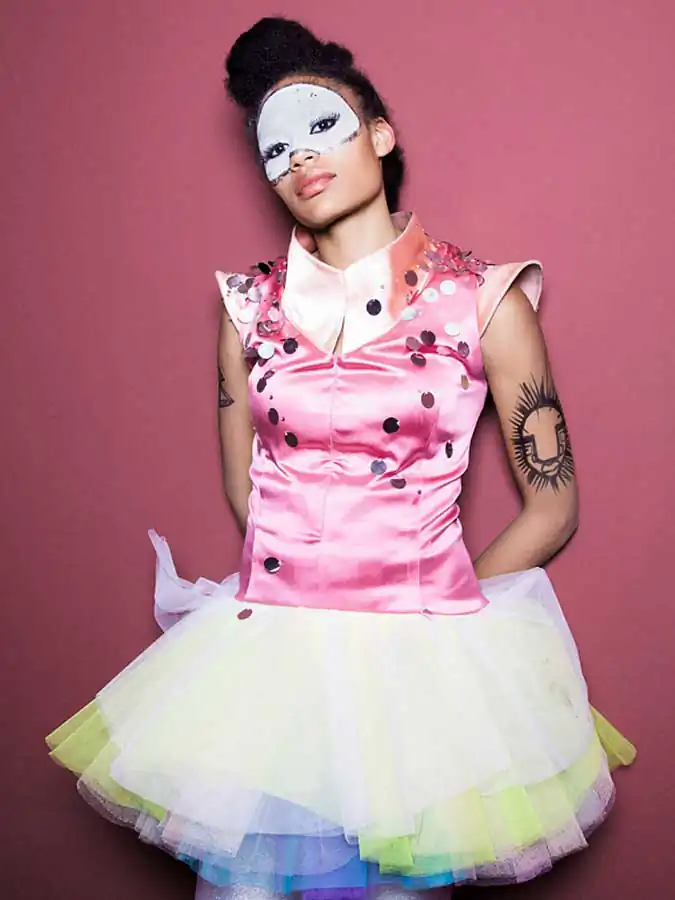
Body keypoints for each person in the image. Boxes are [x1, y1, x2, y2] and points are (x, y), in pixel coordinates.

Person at [46, 16, 636, 900]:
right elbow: (248, 491)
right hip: (270, 661)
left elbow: (553, 506)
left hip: (422, 660)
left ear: (381, 136)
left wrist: (438, 610)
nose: (298, 157)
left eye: (322, 126)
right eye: (273, 148)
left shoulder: (483, 300)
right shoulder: (245, 307)